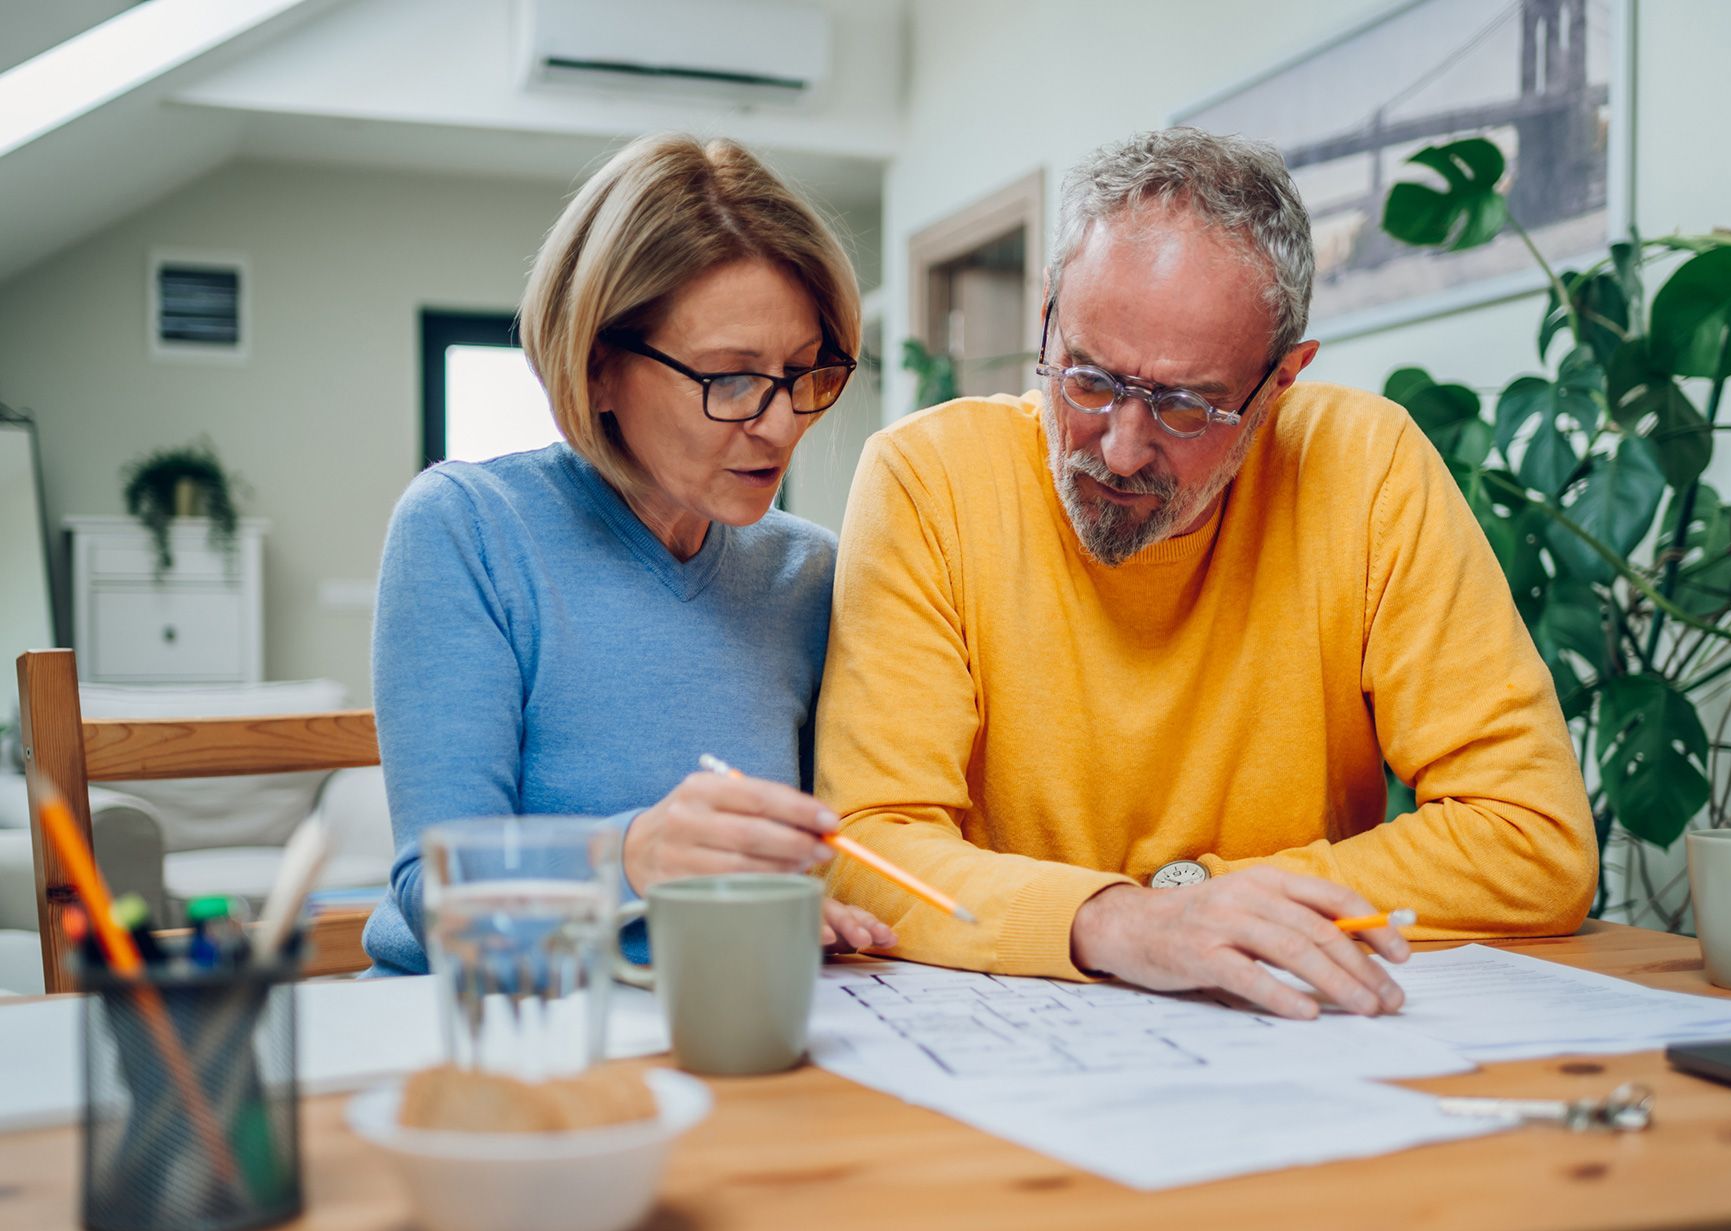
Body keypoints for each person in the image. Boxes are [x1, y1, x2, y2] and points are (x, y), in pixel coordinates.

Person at [815, 128, 1597, 1018]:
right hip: (999, 1029)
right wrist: (1118, 923)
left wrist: (1200, 903)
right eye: (1088, 379)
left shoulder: (1366, 469)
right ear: (1048, 320)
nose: (1120, 448)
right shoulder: (928, 481)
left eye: (1186, 408)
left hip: (1282, 1030)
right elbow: (867, 850)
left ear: (1281, 382)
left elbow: (1534, 840)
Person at [362, 135, 895, 974]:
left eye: (804, 373)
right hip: (489, 1015)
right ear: (598, 369)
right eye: (730, 378)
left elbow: (813, 858)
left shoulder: (809, 576)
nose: (781, 423)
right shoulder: (467, 529)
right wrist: (637, 857)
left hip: (710, 1001)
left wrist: (803, 903)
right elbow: (440, 901)